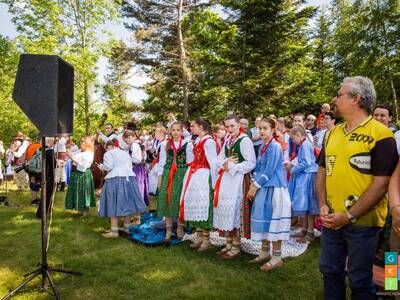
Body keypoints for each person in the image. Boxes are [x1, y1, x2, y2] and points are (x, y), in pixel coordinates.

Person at [317, 76, 398, 299]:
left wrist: (350, 215)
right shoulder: (332, 132)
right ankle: (393, 288)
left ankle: (393, 289)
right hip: (332, 220)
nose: (334, 98)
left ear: (356, 99)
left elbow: (382, 183)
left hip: (365, 224)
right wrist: (323, 204)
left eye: (339, 94)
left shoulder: (383, 135)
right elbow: (322, 172)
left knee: (361, 278)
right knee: (329, 271)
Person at [247, 118, 291, 271]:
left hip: (275, 187)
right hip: (263, 187)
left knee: (274, 220)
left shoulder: (275, 147)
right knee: (264, 219)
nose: (262, 131)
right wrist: (253, 182)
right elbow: (258, 168)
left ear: (273, 130)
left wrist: (256, 186)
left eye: (265, 128)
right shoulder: (262, 147)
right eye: (260, 128)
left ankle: (277, 257)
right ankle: (265, 252)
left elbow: (270, 169)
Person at [213, 115, 256, 259]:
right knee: (225, 208)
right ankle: (228, 243)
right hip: (227, 179)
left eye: (232, 126)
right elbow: (218, 159)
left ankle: (236, 246)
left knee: (235, 211)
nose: (229, 129)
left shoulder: (245, 140)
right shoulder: (227, 140)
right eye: (227, 126)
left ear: (239, 125)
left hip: (238, 179)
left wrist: (232, 166)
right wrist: (225, 162)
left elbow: (251, 163)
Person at [180, 117, 218, 251]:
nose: (191, 128)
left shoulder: (209, 142)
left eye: (193, 126)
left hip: (203, 175)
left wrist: (214, 183)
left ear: (201, 127)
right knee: (195, 204)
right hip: (195, 174)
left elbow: (213, 163)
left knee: (203, 205)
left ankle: (206, 239)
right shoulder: (198, 140)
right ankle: (200, 236)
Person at [98, 141, 146, 238]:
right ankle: (126, 228)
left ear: (107, 147)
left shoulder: (108, 153)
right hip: (129, 179)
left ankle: (114, 231)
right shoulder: (125, 153)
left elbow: (109, 166)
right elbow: (130, 166)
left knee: (113, 203)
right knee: (127, 202)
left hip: (115, 179)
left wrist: (102, 167)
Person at [157, 122, 194, 240]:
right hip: (168, 172)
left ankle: (180, 227)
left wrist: (189, 177)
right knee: (166, 198)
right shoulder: (165, 144)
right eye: (173, 130)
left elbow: (190, 162)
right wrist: (159, 177)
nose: (176, 132)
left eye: (178, 130)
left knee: (179, 199)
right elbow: (162, 161)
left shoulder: (187, 144)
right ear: (170, 132)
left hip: (181, 173)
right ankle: (168, 229)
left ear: (182, 132)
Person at [288, 126, 319, 243]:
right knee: (304, 203)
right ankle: (305, 229)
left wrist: (294, 169)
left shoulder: (305, 145)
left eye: (293, 138)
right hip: (305, 176)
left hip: (309, 176)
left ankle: (310, 232)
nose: (292, 140)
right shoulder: (304, 144)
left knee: (309, 204)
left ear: (299, 135)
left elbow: (306, 162)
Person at [65, 136, 96, 216]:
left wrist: (72, 157)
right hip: (75, 173)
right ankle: (79, 210)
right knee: (77, 192)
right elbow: (71, 155)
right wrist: (67, 148)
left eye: (83, 141)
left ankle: (85, 211)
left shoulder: (89, 153)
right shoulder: (79, 151)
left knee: (83, 192)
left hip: (83, 174)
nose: (81, 143)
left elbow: (83, 165)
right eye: (80, 141)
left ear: (87, 143)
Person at [123, 130, 150, 207]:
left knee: (137, 188)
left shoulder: (134, 145)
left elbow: (137, 159)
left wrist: (127, 158)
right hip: (138, 168)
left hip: (137, 169)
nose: (126, 142)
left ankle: (137, 208)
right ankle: (137, 207)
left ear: (130, 137)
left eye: (126, 140)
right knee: (137, 187)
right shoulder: (135, 144)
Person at [35, 137, 56, 219]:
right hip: (48, 176)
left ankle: (46, 211)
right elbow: (53, 164)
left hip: (41, 175)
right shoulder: (50, 151)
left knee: (45, 195)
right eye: (53, 142)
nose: (54, 143)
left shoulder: (40, 150)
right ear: (49, 142)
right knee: (47, 195)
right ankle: (41, 214)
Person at [25, 139, 41, 204]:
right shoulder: (40, 147)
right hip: (38, 169)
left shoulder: (30, 145)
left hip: (31, 167)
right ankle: (34, 200)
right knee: (37, 183)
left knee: (33, 182)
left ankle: (35, 198)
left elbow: (26, 156)